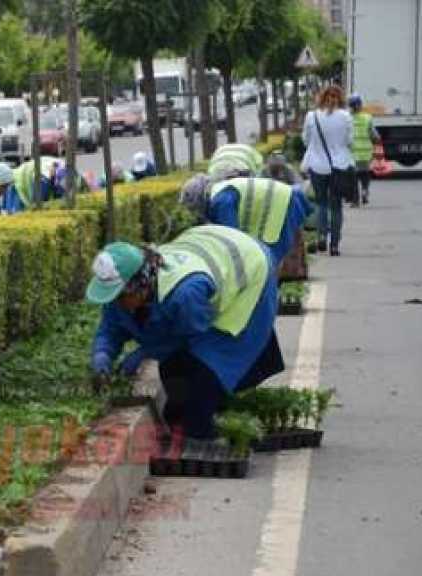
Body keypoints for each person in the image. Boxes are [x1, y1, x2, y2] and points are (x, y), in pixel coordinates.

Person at [87, 225, 284, 446]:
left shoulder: (185, 294)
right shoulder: (122, 297)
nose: (116, 302)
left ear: (140, 285)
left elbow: (190, 338)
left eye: (119, 296)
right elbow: (110, 328)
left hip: (249, 267)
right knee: (176, 374)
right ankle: (201, 413)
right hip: (206, 246)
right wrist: (102, 354)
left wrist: (145, 352)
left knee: (208, 364)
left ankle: (202, 428)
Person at [180, 173, 313, 264]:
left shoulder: (221, 203)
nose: (196, 213)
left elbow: (234, 241)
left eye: (194, 208)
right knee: (267, 259)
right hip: (285, 201)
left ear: (200, 199)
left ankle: (271, 301)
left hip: (283, 207)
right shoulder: (220, 194)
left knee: (269, 261)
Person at [302, 85, 353, 256]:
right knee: (336, 206)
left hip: (317, 166)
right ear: (340, 98)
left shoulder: (311, 116)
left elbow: (305, 140)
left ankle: (321, 236)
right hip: (339, 166)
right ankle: (335, 245)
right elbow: (349, 141)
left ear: (321, 98)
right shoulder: (346, 116)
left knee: (321, 203)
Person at [348, 93, 380, 206]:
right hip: (366, 153)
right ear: (360, 105)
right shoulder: (367, 118)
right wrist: (376, 140)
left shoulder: (347, 118)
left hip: (352, 153)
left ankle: (355, 200)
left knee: (354, 177)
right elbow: (375, 136)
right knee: (365, 174)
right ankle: (365, 190)